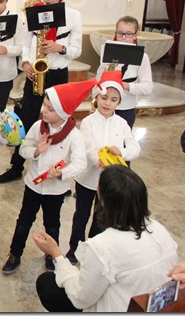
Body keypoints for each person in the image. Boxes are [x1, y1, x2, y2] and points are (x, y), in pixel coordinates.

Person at [33, 165, 179, 312]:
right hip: (159, 306)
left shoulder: (102, 246)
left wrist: (57, 254)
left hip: (125, 308)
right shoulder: (159, 228)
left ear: (103, 201)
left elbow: (80, 298)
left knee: (47, 284)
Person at [0, 0, 83, 184]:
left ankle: (56, 168)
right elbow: (25, 45)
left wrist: (59, 48)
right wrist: (25, 64)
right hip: (35, 72)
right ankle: (16, 166)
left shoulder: (72, 16)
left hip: (57, 73)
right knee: (26, 119)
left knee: (58, 122)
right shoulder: (32, 13)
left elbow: (76, 49)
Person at [1, 79, 95, 274]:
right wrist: (36, 151)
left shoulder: (74, 136)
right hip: (33, 186)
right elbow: (23, 150)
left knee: (52, 224)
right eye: (45, 105)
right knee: (23, 221)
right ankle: (15, 253)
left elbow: (80, 163)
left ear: (63, 112)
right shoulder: (37, 127)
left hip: (56, 190)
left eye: (50, 109)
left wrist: (62, 173)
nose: (44, 110)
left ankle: (52, 255)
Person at [68, 71, 140, 264]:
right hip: (87, 179)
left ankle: (93, 249)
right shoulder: (88, 122)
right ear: (96, 97)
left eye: (113, 99)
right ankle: (74, 247)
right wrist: (95, 159)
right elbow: (87, 147)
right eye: (104, 98)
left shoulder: (122, 124)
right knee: (81, 215)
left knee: (101, 217)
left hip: (109, 183)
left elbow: (135, 147)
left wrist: (121, 152)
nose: (107, 103)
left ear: (119, 103)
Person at [95, 16, 152, 129]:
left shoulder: (142, 57)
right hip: (103, 107)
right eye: (120, 33)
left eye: (128, 34)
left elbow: (148, 87)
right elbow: (98, 79)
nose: (123, 37)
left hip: (125, 108)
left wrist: (125, 86)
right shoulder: (108, 51)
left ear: (135, 35)